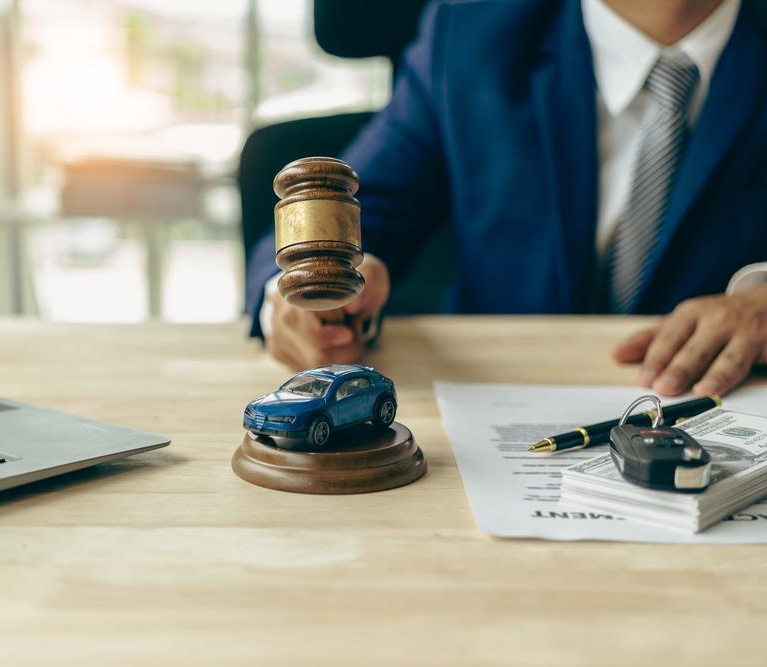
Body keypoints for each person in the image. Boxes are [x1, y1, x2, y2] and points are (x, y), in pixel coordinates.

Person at [246, 0, 767, 397]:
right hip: (490, 405)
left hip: (713, 407)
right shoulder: (470, 37)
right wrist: (301, 294)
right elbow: (361, 201)